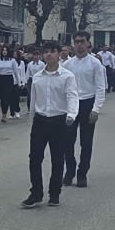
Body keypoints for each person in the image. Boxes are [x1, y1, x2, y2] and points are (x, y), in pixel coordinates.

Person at [21, 42, 79, 209]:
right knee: (35, 158)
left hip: (59, 120)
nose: (48, 55)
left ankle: (54, 193)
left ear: (59, 54)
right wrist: (32, 120)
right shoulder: (38, 77)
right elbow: (33, 101)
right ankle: (36, 193)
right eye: (45, 52)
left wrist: (71, 114)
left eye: (52, 51)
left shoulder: (67, 76)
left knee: (57, 158)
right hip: (40, 121)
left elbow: (72, 96)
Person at [60, 31, 106, 188]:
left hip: (88, 103)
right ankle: (70, 170)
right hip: (71, 105)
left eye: (82, 41)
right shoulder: (67, 64)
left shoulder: (95, 63)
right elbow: (62, 87)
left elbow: (100, 87)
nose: (79, 45)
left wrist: (96, 109)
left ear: (88, 43)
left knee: (86, 142)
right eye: (77, 42)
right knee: (67, 141)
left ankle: (82, 173)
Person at [0, 45, 21, 122]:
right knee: (2, 98)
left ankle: (4, 116)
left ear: (8, 51)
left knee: (6, 97)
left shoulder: (12, 60)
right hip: (1, 79)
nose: (4, 52)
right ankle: (3, 113)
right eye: (3, 50)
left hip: (9, 79)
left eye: (6, 50)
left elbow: (16, 72)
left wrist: (19, 82)